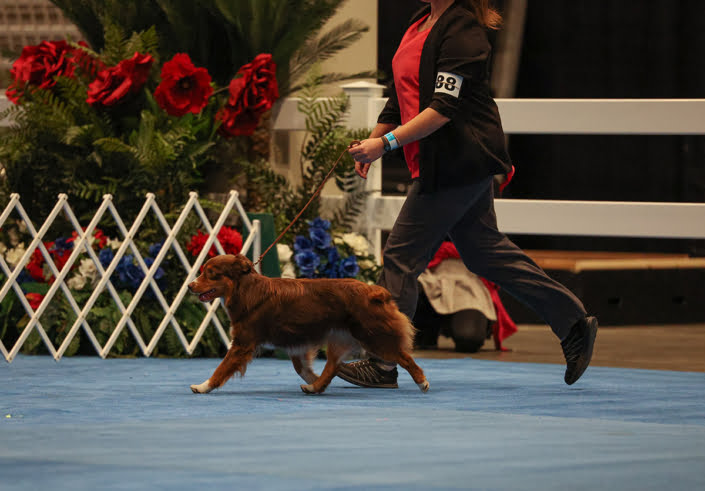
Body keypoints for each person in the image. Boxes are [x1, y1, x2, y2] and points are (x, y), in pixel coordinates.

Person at [340, 0, 598, 387]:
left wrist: (387, 144)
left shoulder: (463, 30)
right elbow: (402, 93)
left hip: (459, 163)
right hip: (447, 164)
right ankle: (573, 322)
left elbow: (443, 108)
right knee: (485, 253)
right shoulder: (420, 22)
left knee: (401, 258)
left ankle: (382, 361)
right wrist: (375, 140)